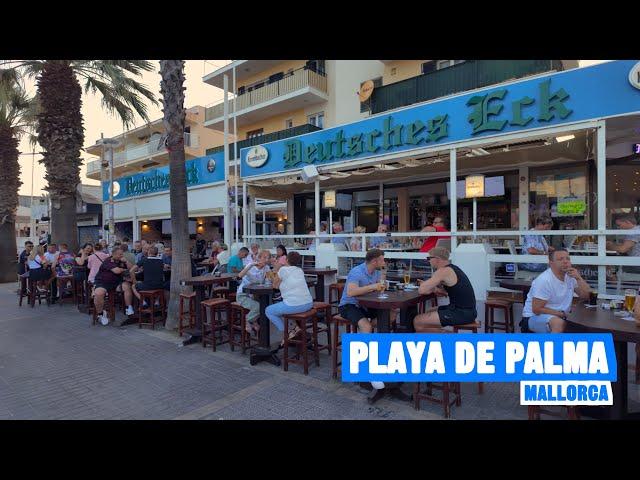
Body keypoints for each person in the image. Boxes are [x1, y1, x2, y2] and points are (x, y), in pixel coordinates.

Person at [338, 248, 387, 390]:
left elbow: (380, 288)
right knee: (367, 327)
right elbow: (351, 292)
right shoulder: (357, 271)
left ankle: (362, 339)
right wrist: (374, 286)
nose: (384, 261)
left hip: (366, 305)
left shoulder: (377, 272)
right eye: (382, 259)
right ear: (374, 261)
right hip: (349, 305)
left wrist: (382, 277)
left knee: (391, 315)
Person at [520, 249, 591, 333]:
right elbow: (537, 309)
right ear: (551, 263)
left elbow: (586, 296)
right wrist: (561, 314)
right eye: (560, 259)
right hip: (533, 317)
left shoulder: (570, 276)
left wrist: (579, 278)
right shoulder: (545, 280)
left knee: (583, 322)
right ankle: (553, 345)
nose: (565, 262)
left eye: (567, 259)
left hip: (559, 315)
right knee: (558, 323)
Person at [413, 247, 478, 331]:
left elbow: (421, 290)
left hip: (462, 313)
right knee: (429, 311)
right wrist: (433, 288)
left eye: (429, 258)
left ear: (437, 259)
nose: (428, 261)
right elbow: (445, 293)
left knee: (418, 321)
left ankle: (448, 339)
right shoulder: (453, 268)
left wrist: (425, 285)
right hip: (467, 311)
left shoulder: (443, 271)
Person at [265, 251, 314, 346]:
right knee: (284, 307)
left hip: (294, 305)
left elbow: (275, 286)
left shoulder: (283, 270)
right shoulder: (299, 270)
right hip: (308, 303)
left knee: (268, 310)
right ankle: (295, 328)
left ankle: (287, 333)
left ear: (286, 260)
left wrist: (276, 268)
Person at [93, 247, 134, 325]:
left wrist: (127, 262)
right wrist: (124, 270)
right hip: (103, 282)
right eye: (120, 254)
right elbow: (117, 271)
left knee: (127, 286)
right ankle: (101, 314)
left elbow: (132, 268)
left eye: (122, 254)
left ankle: (129, 308)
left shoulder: (122, 261)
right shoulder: (108, 261)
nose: (121, 256)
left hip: (116, 283)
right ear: (113, 254)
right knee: (99, 294)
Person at [236, 250, 271, 334]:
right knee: (260, 307)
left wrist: (270, 277)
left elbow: (269, 281)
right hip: (243, 295)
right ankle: (247, 320)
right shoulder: (251, 266)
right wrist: (251, 265)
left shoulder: (267, 268)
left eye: (268, 258)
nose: (266, 260)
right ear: (259, 258)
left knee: (266, 307)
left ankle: (253, 321)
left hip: (256, 295)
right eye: (264, 257)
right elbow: (239, 276)